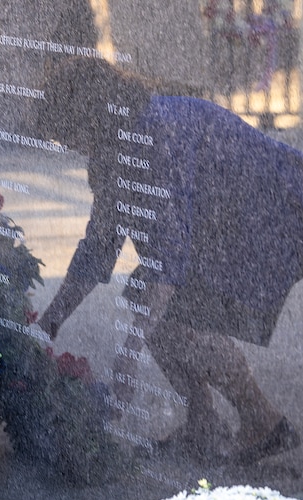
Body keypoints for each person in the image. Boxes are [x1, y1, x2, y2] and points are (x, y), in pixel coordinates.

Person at [35, 57, 302, 464]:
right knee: (153, 301)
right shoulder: (114, 146)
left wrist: (129, 353)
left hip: (269, 210)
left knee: (184, 315)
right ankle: (204, 423)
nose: (66, 145)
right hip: (223, 219)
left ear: (88, 116)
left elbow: (170, 258)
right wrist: (50, 321)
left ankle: (262, 421)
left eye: (67, 133)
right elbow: (100, 245)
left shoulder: (152, 132)